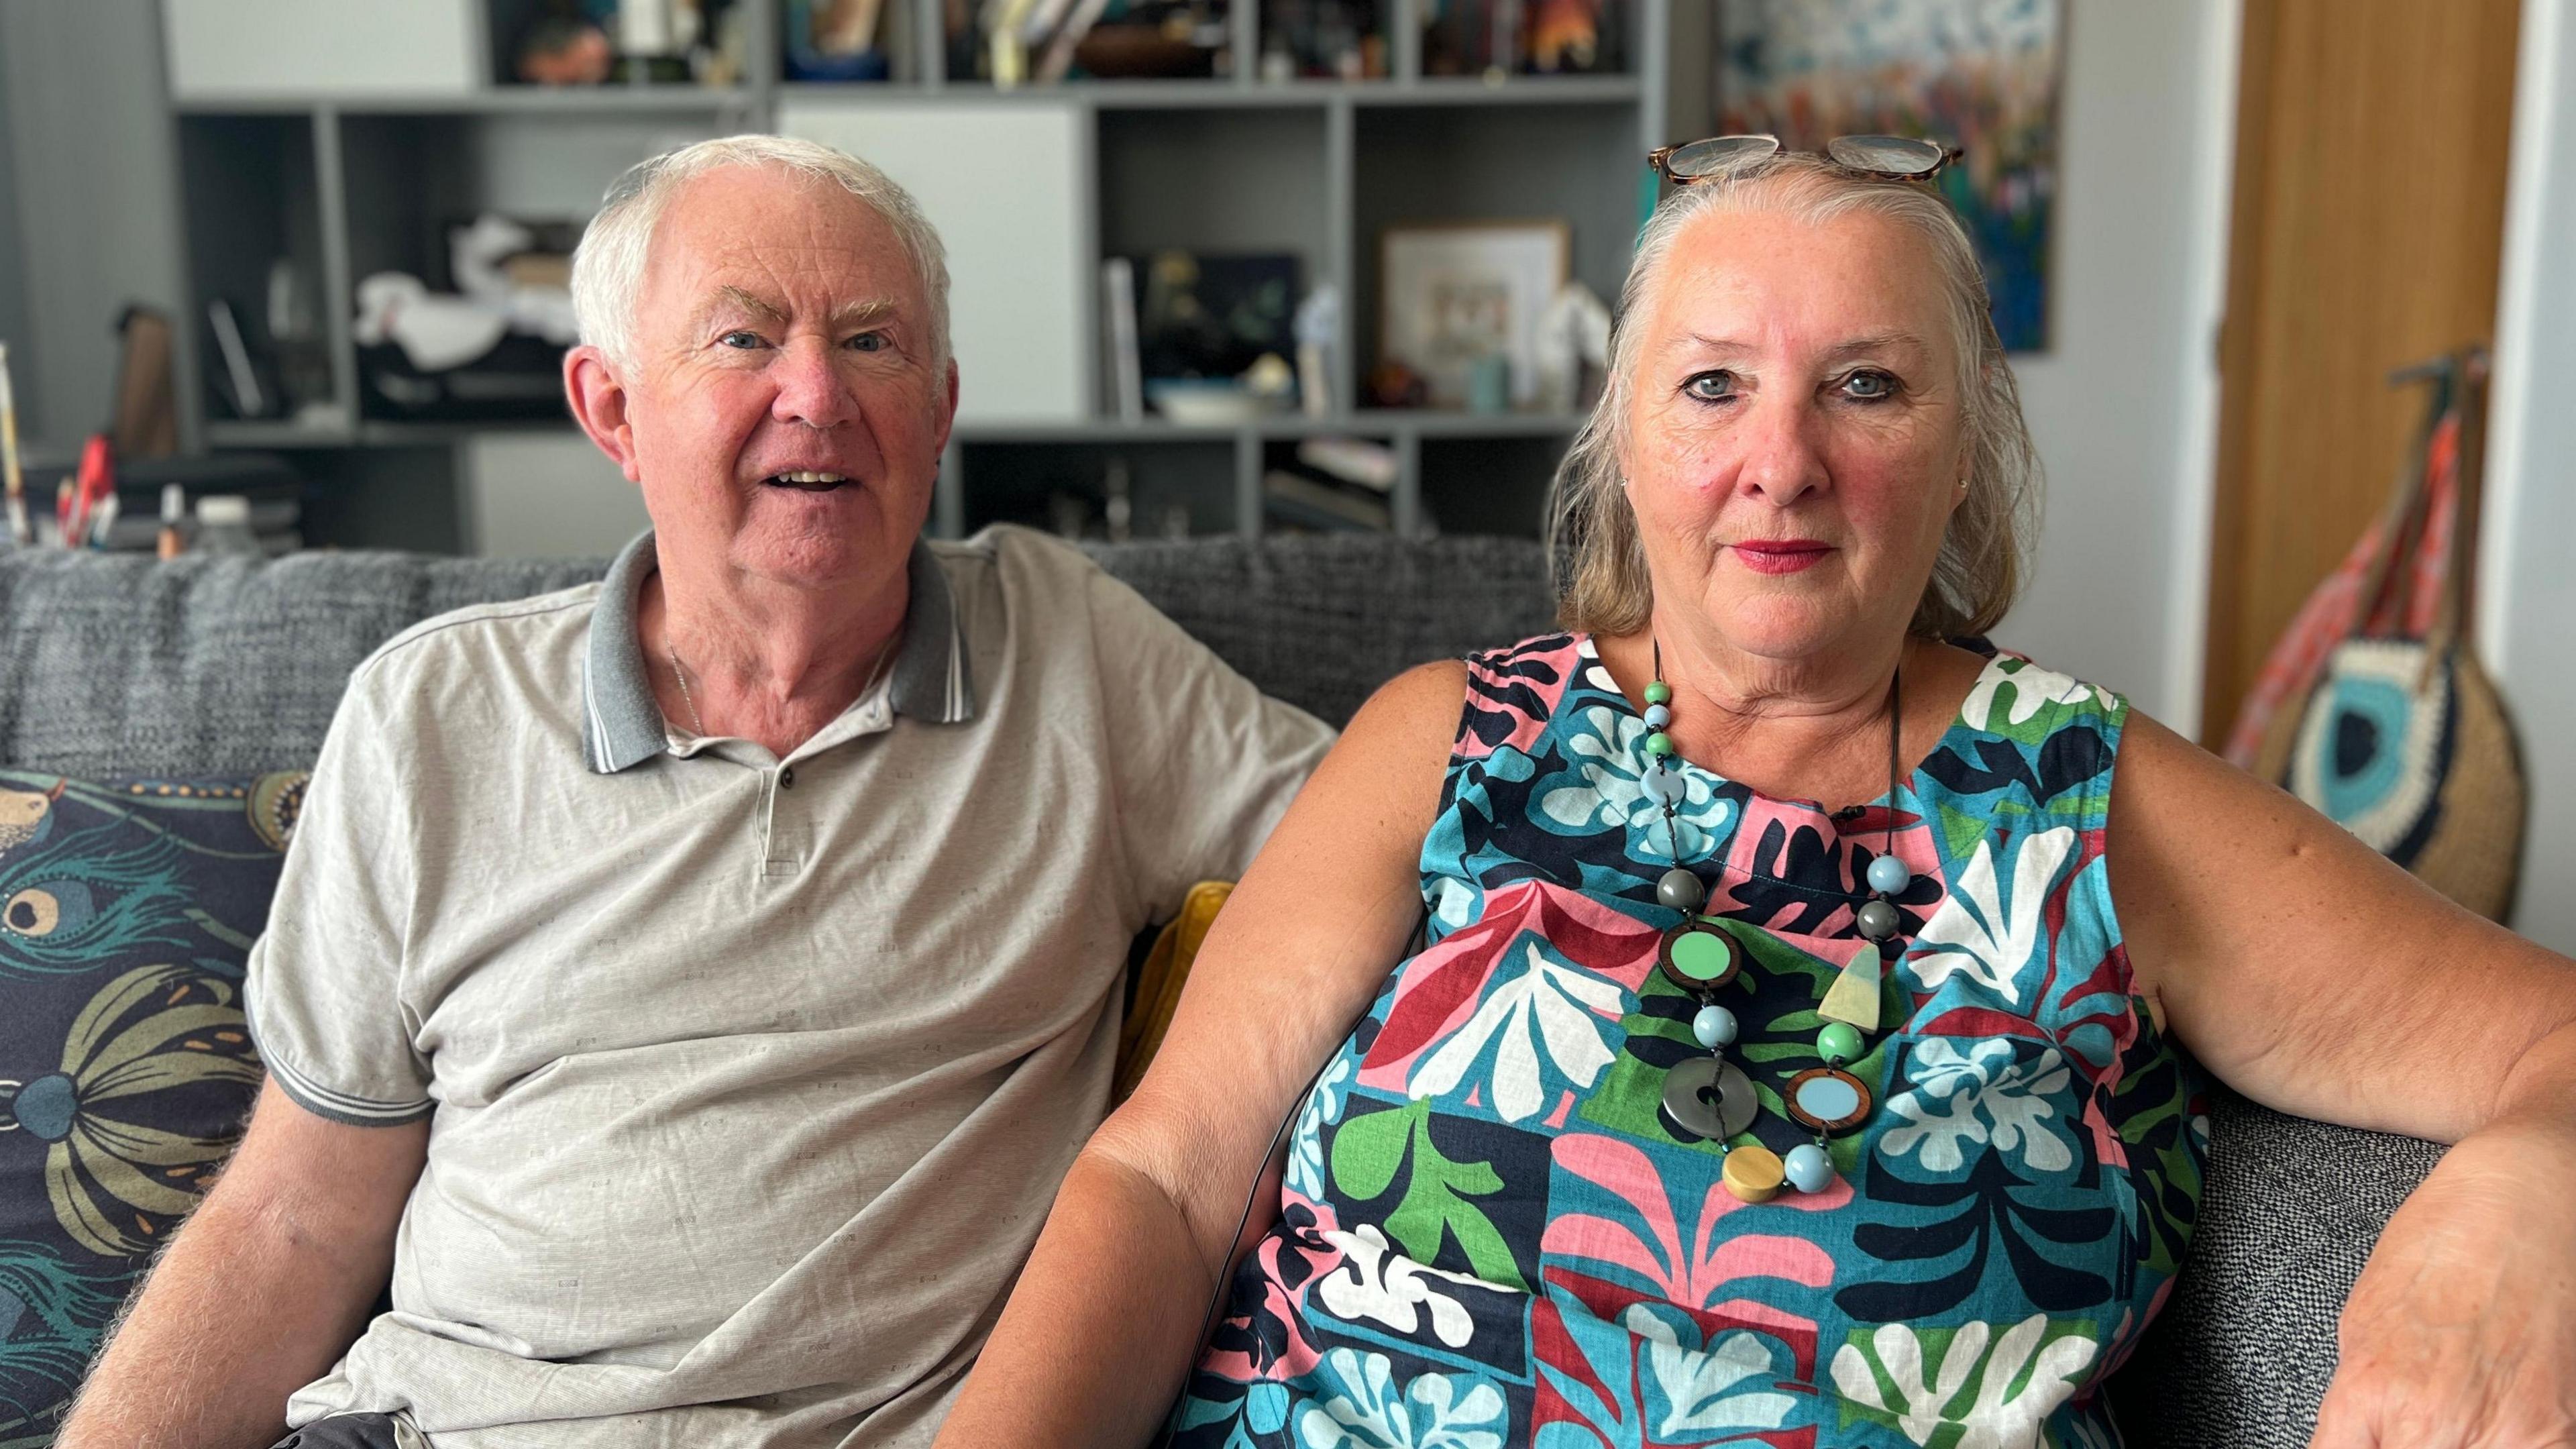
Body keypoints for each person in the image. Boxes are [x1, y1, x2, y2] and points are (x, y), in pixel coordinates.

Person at [938, 145, 2576, 1448]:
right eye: (1714, 385)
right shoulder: (1443, 739)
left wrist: (2527, 1183)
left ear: (1963, 456)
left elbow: (2548, 1042)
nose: (1780, 459)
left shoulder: (2093, 802)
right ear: (1627, 445)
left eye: (1866, 385)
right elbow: (1162, 1182)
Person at [59, 136, 1333, 1449]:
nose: (817, 396)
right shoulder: (428, 717)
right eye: (744, 340)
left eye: (873, 343)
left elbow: (1411, 834)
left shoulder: (1078, 662)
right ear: (612, 409)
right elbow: (294, 1219)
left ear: (941, 408)